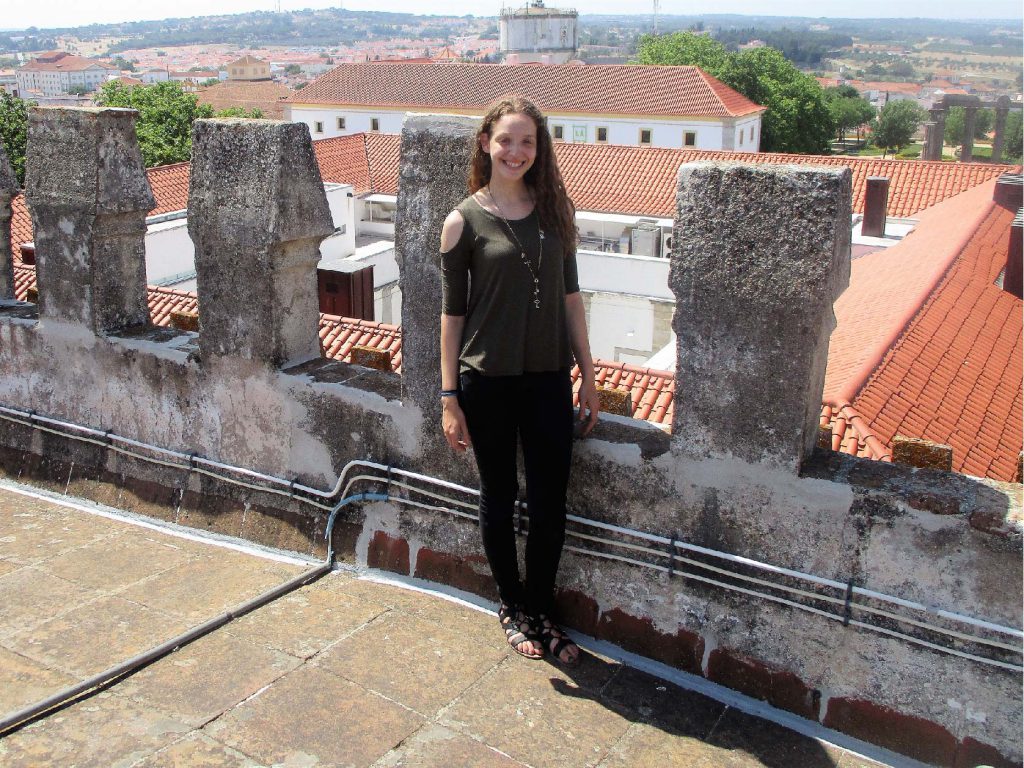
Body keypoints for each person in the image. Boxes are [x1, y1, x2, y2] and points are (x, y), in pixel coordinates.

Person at [438, 96, 600, 664]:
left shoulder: (557, 213)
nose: (516, 151)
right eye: (506, 140)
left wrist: (589, 373)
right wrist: (448, 398)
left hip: (549, 379)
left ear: (540, 148)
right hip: (488, 382)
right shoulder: (462, 221)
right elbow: (452, 316)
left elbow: (571, 297)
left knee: (551, 502)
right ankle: (511, 606)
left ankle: (540, 609)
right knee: (500, 497)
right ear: (486, 142)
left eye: (527, 141)